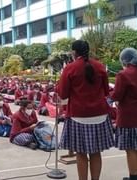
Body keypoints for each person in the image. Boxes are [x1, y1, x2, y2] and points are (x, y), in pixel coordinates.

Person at [57, 40, 114, 180]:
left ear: (74, 52)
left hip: (78, 116)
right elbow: (107, 90)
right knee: (96, 152)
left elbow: (63, 94)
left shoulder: (70, 68)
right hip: (100, 115)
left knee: (81, 153)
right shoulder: (100, 66)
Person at [111, 48, 137, 180]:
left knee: (130, 149)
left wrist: (109, 94)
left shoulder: (123, 74)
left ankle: (133, 177)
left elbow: (116, 95)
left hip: (128, 117)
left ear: (125, 60)